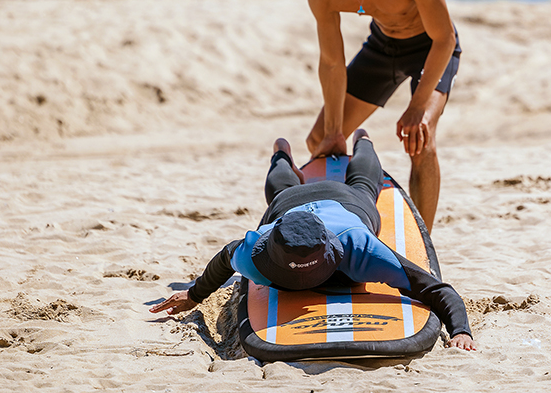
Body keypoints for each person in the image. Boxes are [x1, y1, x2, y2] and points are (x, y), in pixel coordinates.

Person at [150, 130, 476, 351]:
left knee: (355, 186)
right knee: (324, 188)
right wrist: (193, 295)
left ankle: (354, 143)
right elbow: (433, 288)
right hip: (293, 209)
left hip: (339, 203)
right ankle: (321, 150)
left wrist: (460, 330)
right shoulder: (255, 253)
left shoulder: (358, 247)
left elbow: (436, 290)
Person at [305, 0, 461, 233]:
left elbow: (444, 37)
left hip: (429, 48)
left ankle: (422, 243)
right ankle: (346, 221)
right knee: (319, 139)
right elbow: (332, 63)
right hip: (382, 47)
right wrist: (335, 131)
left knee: (420, 137)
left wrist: (417, 107)